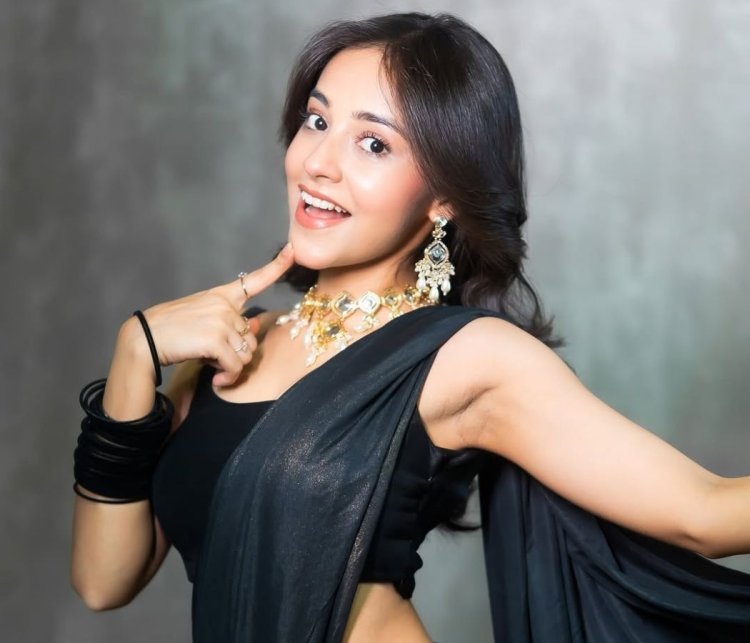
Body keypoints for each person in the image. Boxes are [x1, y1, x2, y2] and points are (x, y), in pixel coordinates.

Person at [70, 11, 750, 643]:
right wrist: (135, 353)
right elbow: (104, 581)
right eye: (316, 121)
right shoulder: (232, 343)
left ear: (444, 196)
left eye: (373, 143)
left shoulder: (466, 357)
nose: (318, 162)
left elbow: (705, 514)